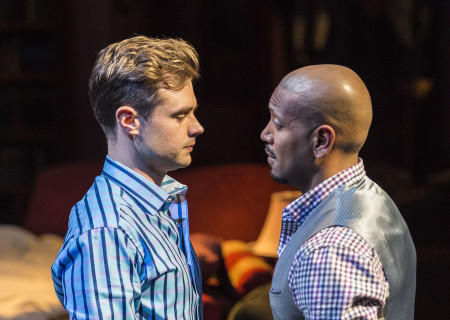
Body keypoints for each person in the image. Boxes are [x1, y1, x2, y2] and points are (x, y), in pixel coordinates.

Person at [51, 36, 204, 319]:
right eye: (180, 115)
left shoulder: (161, 199)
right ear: (129, 121)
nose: (197, 127)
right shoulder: (108, 230)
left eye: (193, 112)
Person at [261, 64, 416, 319]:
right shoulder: (374, 198)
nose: (265, 134)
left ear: (321, 141)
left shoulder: (330, 250)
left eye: (278, 124)